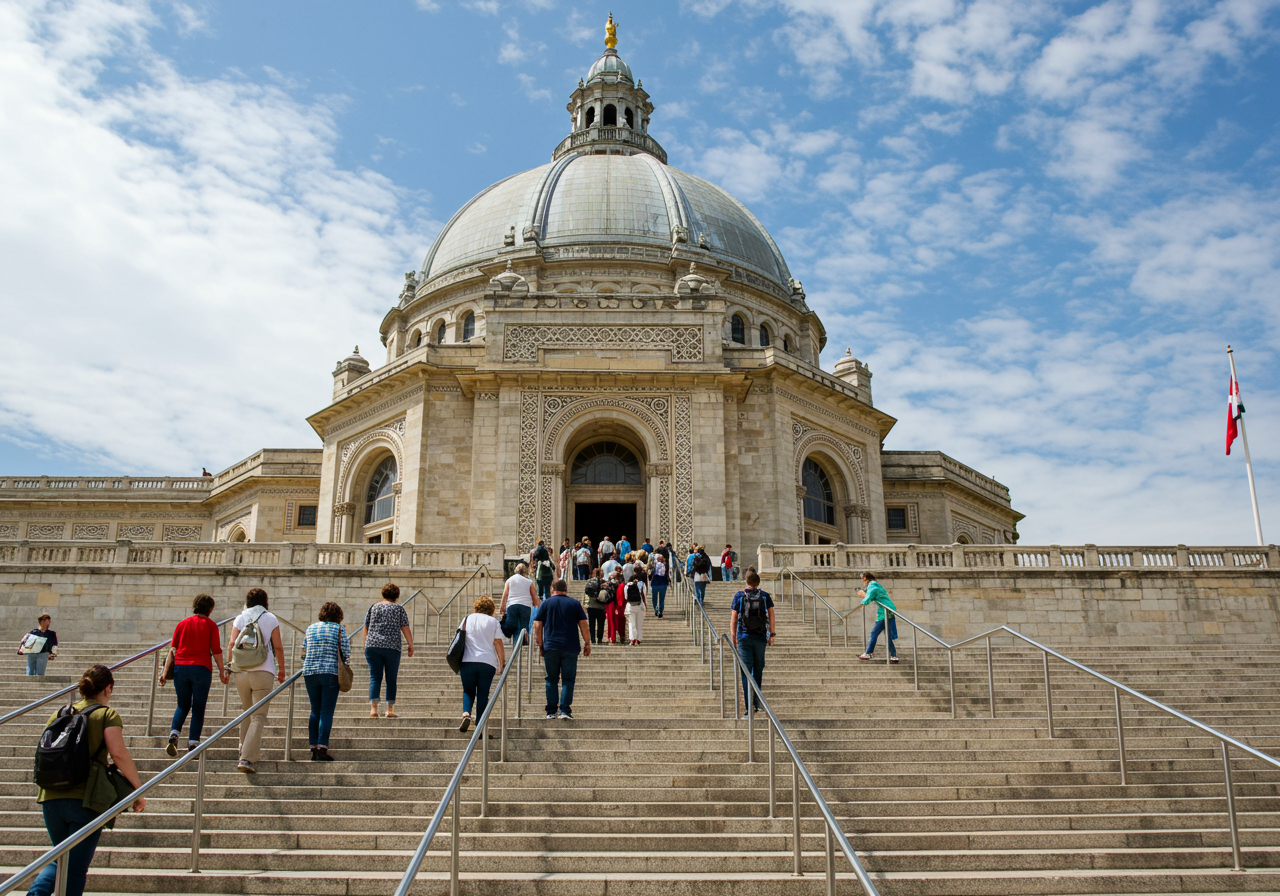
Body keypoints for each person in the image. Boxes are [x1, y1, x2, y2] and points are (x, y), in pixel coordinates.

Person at [29, 664, 145, 896]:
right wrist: (138, 790)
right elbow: (119, 754)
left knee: (60, 857)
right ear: (108, 688)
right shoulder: (106, 714)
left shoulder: (60, 713)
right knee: (73, 867)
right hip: (85, 799)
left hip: (50, 797)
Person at [160, 594, 228, 756]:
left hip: (181, 668)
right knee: (198, 707)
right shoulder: (211, 625)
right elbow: (216, 651)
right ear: (210, 609)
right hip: (201, 668)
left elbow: (172, 650)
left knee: (182, 705)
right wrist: (221, 670)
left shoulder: (182, 624)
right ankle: (193, 743)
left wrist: (163, 673)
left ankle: (174, 733)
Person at [228, 588, 286, 774]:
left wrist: (229, 667)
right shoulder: (270, 618)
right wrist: (282, 671)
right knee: (258, 716)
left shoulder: (240, 617)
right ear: (265, 601)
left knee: (247, 711)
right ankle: (246, 758)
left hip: (241, 671)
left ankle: (242, 749)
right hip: (264, 670)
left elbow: (231, 643)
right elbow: (278, 647)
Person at [533, 579, 590, 719]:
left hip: (551, 646)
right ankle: (564, 710)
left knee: (551, 679)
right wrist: (587, 643)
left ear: (553, 589)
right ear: (566, 589)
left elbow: (537, 624)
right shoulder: (575, 604)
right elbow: (583, 624)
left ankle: (551, 711)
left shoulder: (546, 603)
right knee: (568, 680)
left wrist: (540, 643)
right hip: (570, 647)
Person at [302, 602, 351, 761]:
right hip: (330, 672)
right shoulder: (338, 629)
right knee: (326, 711)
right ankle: (322, 746)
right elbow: (346, 652)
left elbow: (303, 653)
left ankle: (313, 746)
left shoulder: (310, 628)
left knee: (315, 710)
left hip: (310, 672)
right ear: (339, 616)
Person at [362, 583, 414, 719]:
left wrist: (365, 644)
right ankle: (389, 710)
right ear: (396, 596)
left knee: (375, 677)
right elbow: (405, 627)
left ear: (383, 594)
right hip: (392, 647)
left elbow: (366, 626)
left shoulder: (373, 607)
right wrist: (410, 645)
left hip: (372, 645)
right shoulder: (398, 609)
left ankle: (374, 709)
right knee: (391, 679)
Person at [729, 572, 776, 717]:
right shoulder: (765, 596)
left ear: (746, 581)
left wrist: (733, 637)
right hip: (760, 637)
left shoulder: (739, 596)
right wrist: (772, 634)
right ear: (759, 582)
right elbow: (772, 614)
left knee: (746, 673)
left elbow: (734, 618)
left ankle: (749, 708)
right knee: (758, 669)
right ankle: (757, 701)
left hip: (743, 638)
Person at [458, 595, 505, 733]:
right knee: (483, 694)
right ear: (491, 609)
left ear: (476, 607)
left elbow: (460, 636)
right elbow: (498, 642)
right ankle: (480, 725)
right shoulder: (493, 621)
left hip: (467, 660)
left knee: (468, 690)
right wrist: (502, 662)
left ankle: (466, 713)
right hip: (487, 662)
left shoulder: (467, 618)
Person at [858, 573, 899, 663]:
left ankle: (868, 653)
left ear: (865, 578)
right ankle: (893, 655)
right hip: (888, 611)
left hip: (885, 612)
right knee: (888, 636)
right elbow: (872, 596)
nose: (863, 583)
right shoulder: (877, 585)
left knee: (874, 633)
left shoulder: (872, 585)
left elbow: (867, 599)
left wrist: (863, 596)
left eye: (863, 580)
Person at [500, 562, 539, 647]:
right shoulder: (529, 582)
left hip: (512, 605)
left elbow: (505, 594)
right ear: (525, 571)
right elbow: (535, 596)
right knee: (524, 626)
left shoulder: (510, 580)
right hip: (525, 606)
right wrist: (537, 605)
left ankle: (515, 644)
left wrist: (502, 607)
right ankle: (525, 640)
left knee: (512, 625)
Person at [583, 568, 608, 644]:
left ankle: (593, 639)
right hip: (601, 606)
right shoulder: (604, 582)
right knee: (601, 623)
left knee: (591, 623)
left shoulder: (590, 581)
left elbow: (586, 592)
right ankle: (599, 639)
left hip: (591, 605)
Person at [623, 571, 647, 645]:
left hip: (630, 606)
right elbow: (644, 596)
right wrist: (646, 606)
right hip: (640, 606)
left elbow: (626, 597)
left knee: (631, 623)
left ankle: (632, 639)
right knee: (639, 624)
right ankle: (638, 639)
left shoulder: (627, 585)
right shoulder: (642, 584)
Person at [605, 571, 627, 644]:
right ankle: (620, 636)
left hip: (610, 604)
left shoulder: (609, 584)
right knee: (619, 621)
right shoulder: (620, 585)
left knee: (611, 621)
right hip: (617, 604)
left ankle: (611, 637)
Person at [651, 553, 669, 618]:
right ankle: (660, 611)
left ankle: (656, 609)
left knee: (654, 598)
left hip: (655, 583)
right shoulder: (666, 565)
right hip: (663, 583)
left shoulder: (654, 565)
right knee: (661, 599)